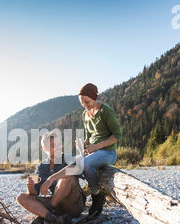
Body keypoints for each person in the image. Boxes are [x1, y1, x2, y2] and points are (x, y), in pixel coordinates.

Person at [38, 83, 122, 217]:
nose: (85, 105)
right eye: (82, 103)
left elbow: (117, 136)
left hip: (108, 152)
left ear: (94, 97)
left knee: (85, 164)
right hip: (94, 152)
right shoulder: (85, 115)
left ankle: (96, 195)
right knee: (77, 162)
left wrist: (97, 146)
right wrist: (83, 145)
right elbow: (90, 136)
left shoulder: (106, 111)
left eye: (87, 102)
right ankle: (94, 195)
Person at [16, 131, 86, 224]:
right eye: (53, 145)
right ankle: (53, 219)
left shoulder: (68, 158)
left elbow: (77, 167)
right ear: (45, 148)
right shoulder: (41, 167)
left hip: (74, 205)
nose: (58, 147)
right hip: (58, 206)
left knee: (66, 178)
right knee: (21, 197)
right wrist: (30, 187)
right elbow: (34, 194)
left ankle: (46, 213)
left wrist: (52, 178)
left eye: (59, 144)